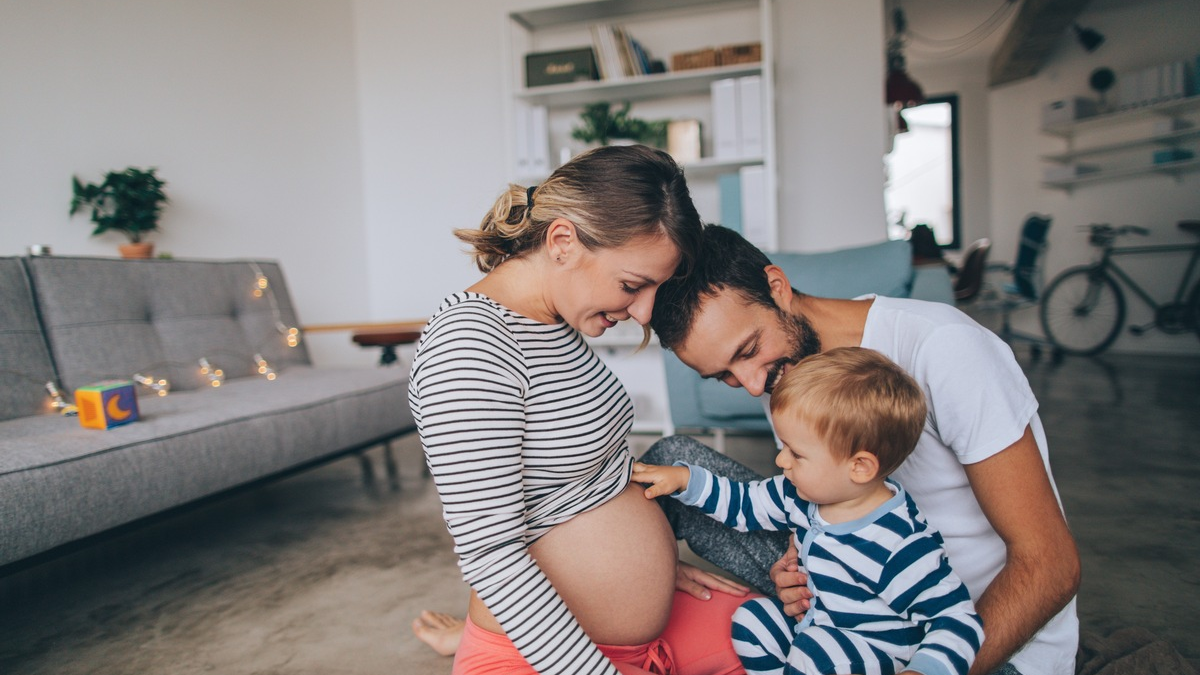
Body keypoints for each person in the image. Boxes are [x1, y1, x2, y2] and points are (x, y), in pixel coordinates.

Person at [642, 225, 1080, 675]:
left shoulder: (943, 348)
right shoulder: (787, 377)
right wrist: (796, 566)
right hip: (854, 611)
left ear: (777, 288)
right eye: (725, 376)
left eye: (749, 350)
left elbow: (1051, 565)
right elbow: (814, 502)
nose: (752, 384)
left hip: (971, 632)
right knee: (671, 463)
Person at [407, 145, 749, 675]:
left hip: (638, 630)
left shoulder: (552, 321)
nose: (643, 312)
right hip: (547, 658)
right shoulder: (470, 347)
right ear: (562, 241)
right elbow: (491, 554)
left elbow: (578, 488)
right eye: (633, 285)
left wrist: (648, 573)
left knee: (794, 642)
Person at [633, 346, 984, 675]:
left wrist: (924, 671)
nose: (780, 460)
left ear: (859, 467)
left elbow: (957, 618)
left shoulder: (898, 542)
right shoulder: (800, 494)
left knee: (818, 648)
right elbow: (743, 503)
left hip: (874, 656)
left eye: (796, 453)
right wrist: (684, 479)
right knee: (753, 621)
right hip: (817, 626)